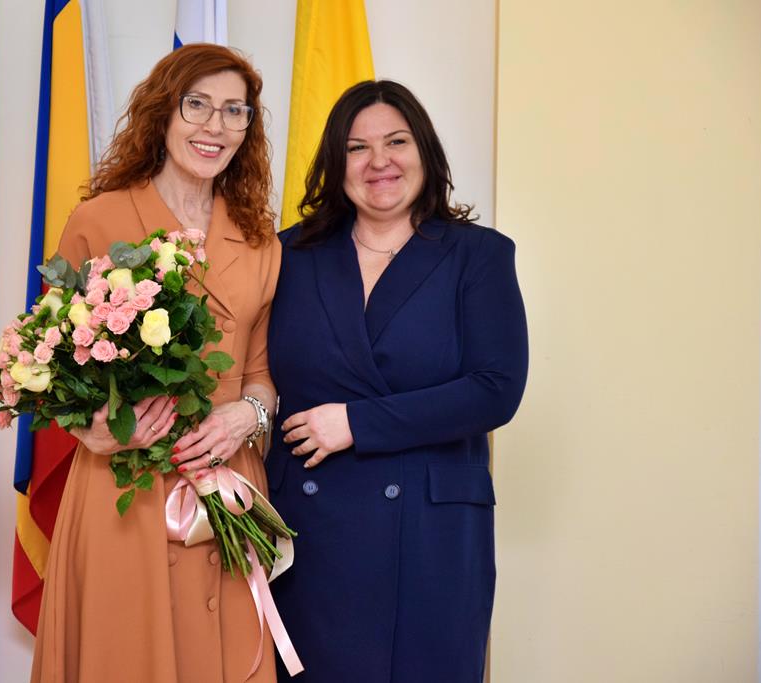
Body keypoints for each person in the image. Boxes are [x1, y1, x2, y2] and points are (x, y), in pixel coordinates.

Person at [31, 44, 280, 683]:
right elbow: (47, 362)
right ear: (163, 112)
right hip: (123, 484)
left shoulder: (261, 239)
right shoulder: (99, 219)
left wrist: (246, 418)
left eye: (235, 111)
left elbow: (261, 373)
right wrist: (93, 428)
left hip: (226, 477)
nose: (215, 126)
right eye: (197, 105)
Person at [265, 80, 528, 682]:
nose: (378, 161)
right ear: (336, 164)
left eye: (396, 142)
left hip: (430, 537)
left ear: (425, 151)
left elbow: (496, 388)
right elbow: (250, 369)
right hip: (310, 533)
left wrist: (356, 423)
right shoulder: (289, 256)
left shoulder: (478, 255)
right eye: (357, 148)